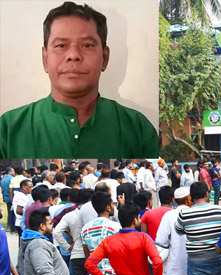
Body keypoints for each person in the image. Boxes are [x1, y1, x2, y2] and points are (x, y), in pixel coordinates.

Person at [0, 2, 158, 158]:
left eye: (87, 45)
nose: (73, 55)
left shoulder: (138, 128)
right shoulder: (8, 129)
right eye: (61, 45)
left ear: (104, 57)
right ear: (45, 58)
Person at [52, 188, 91, 275]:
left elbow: (56, 232)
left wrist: (68, 247)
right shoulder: (93, 214)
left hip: (76, 254)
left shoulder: (70, 215)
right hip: (92, 254)